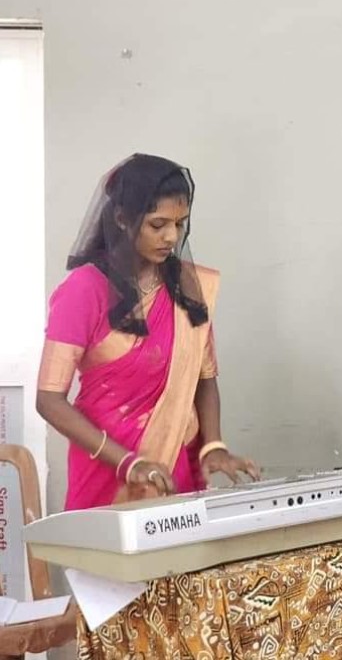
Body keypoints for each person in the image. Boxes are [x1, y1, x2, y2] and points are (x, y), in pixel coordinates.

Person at [36, 153, 259, 510]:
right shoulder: (84, 289)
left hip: (174, 466)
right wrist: (128, 463)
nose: (171, 236)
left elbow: (204, 377)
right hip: (107, 470)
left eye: (180, 224)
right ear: (122, 219)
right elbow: (49, 400)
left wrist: (213, 445)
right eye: (158, 225)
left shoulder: (187, 285)